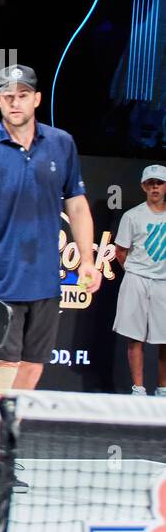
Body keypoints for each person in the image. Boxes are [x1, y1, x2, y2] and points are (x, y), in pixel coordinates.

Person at [0, 64, 102, 495]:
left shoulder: (62, 144)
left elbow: (79, 207)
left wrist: (87, 261)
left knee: (29, 375)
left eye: (23, 94)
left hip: (46, 284)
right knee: (0, 373)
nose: (15, 102)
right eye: (7, 95)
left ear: (36, 98)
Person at [113, 165, 166, 394]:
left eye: (160, 182)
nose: (155, 187)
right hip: (137, 279)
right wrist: (136, 272)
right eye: (151, 182)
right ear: (144, 186)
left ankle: (163, 388)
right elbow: (120, 252)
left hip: (164, 282)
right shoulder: (132, 216)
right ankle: (138, 389)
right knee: (135, 337)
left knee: (165, 340)